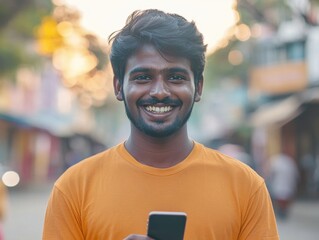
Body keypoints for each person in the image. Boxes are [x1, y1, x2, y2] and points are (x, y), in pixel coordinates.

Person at [42, 9, 279, 239]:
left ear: (198, 87)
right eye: (142, 77)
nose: (159, 92)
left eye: (175, 77)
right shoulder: (74, 188)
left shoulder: (245, 186)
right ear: (118, 87)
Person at [269, 153, 299, 220]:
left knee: (281, 199)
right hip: (283, 185)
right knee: (282, 199)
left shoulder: (277, 163)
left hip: (281, 185)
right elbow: (295, 175)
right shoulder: (289, 163)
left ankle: (282, 212)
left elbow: (272, 174)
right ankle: (282, 212)